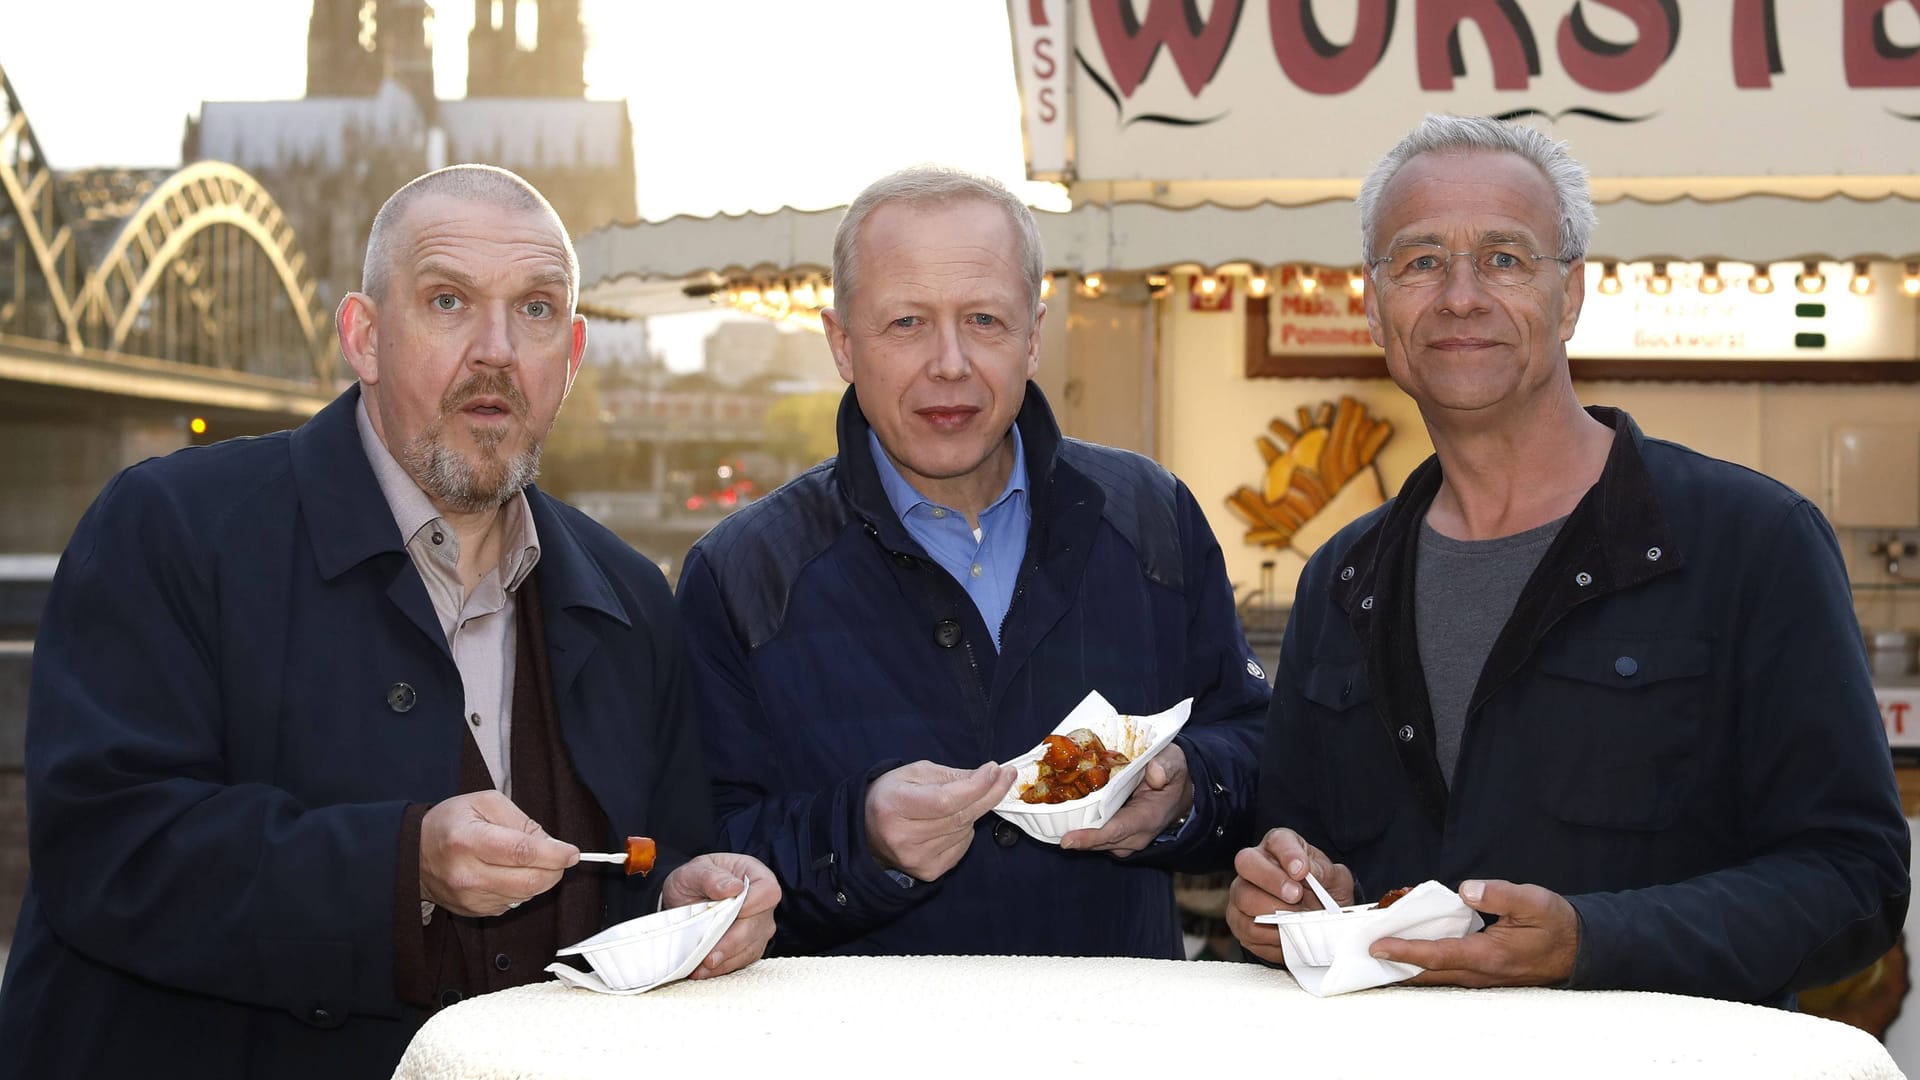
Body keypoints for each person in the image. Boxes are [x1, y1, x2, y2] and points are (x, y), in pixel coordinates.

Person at [0, 165, 778, 1079]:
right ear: (363, 338)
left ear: (568, 357)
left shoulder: (631, 596)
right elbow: (107, 848)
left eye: (533, 311)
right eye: (449, 301)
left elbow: (653, 858)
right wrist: (400, 868)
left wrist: (684, 905)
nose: (495, 349)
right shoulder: (171, 528)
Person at [1226, 115, 1910, 1003]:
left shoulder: (1753, 544)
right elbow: (1299, 849)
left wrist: (1593, 942)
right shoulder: (1342, 580)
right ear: (1372, 300)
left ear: (1572, 295)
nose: (1460, 296)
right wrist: (1281, 896)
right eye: (1420, 260)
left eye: (1505, 258)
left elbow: (1855, 881)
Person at [674, 166, 1268, 957]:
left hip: (1117, 1043)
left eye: (983, 320)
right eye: (907, 323)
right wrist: (861, 838)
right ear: (843, 344)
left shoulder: (1149, 514)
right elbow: (696, 850)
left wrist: (1188, 790)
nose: (949, 363)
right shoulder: (741, 572)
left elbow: (1258, 747)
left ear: (1032, 336)